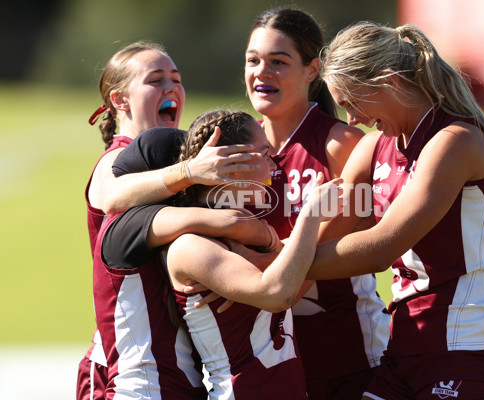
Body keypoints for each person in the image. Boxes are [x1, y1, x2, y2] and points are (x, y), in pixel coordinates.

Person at [304, 21, 484, 399]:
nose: (352, 121)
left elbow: (381, 246)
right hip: (403, 352)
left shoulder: (454, 142)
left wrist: (274, 266)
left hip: (465, 352)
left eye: (351, 103)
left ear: (389, 82)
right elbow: (325, 235)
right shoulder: (373, 148)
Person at [102, 109, 344, 399]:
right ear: (232, 164)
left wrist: (267, 238)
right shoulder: (190, 245)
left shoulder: (242, 228)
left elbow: (290, 261)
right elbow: (279, 292)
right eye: (264, 153)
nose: (273, 163)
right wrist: (311, 215)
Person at [77, 40, 266, 400]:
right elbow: (112, 195)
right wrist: (191, 171)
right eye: (156, 80)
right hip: (131, 368)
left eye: (176, 79)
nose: (172, 88)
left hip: (172, 363)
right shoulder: (114, 160)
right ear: (120, 100)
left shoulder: (165, 158)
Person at [242, 8, 390, 400]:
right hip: (268, 360)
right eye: (253, 60)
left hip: (348, 357)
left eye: (279, 61)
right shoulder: (236, 151)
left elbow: (408, 223)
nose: (262, 72)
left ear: (312, 70)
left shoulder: (342, 145)